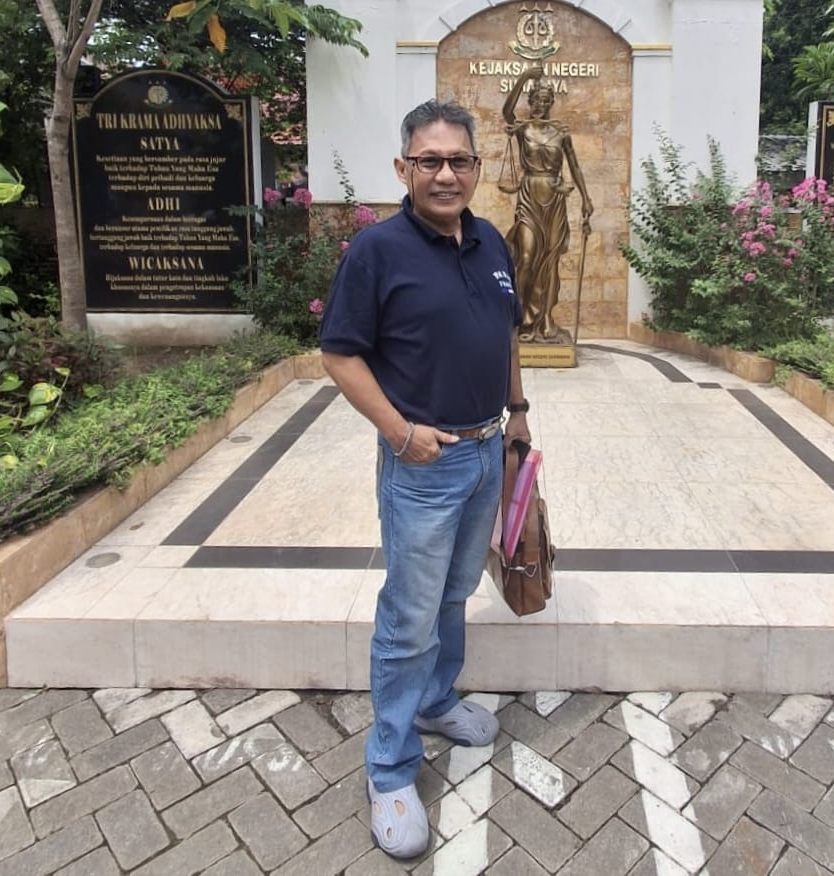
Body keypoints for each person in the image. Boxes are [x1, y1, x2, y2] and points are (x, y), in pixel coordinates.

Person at [318, 99, 531, 860]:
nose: (446, 174)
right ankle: (390, 768)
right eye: (430, 161)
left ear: (477, 167)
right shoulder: (377, 251)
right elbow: (340, 354)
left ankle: (437, 701)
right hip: (424, 464)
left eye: (459, 161)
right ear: (403, 168)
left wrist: (517, 415)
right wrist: (400, 435)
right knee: (409, 615)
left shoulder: (491, 240)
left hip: (485, 452)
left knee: (453, 593)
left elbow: (506, 333)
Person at [502, 65, 594, 341]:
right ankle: (519, 319)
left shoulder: (561, 133)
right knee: (526, 258)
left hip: (554, 199)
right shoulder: (522, 129)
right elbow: (507, 111)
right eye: (535, 100)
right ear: (530, 102)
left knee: (551, 262)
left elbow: (575, 167)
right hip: (529, 196)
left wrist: (586, 199)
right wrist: (524, 78)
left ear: (551, 103)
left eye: (545, 101)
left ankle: (545, 319)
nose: (540, 105)